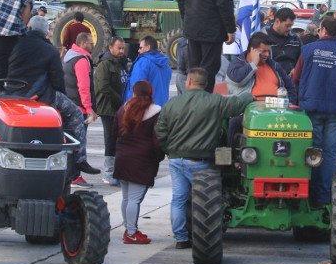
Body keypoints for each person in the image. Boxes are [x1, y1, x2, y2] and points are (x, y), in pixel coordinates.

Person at [155, 68, 253, 248]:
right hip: (201, 162)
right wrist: (251, 95)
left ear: (189, 82)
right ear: (206, 84)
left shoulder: (172, 103)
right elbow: (237, 105)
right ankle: (204, 239)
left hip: (176, 160)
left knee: (178, 199)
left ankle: (181, 239)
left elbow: (160, 131)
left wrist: (169, 149)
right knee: (205, 201)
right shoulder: (214, 101)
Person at [7, 16, 99, 187]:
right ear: (46, 32)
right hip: (40, 95)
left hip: (13, 93)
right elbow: (57, 80)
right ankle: (79, 159)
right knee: (76, 115)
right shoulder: (49, 50)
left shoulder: (16, 43)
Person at [292, 16, 336, 205]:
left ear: (322, 29)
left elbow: (296, 78)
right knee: (330, 153)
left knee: (313, 152)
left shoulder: (308, 50)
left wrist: (300, 98)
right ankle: (324, 196)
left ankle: (310, 194)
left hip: (311, 108)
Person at [113, 80, 164, 245]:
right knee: (135, 199)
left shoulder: (123, 109)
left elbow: (114, 133)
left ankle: (128, 229)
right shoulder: (155, 112)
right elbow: (157, 140)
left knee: (126, 198)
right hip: (142, 160)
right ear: (150, 93)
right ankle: (132, 232)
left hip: (122, 157)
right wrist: (159, 156)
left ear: (133, 92)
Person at [63, 32, 101, 187]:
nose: (93, 46)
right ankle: (75, 176)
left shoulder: (68, 57)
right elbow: (83, 87)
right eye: (91, 43)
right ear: (83, 43)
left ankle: (70, 175)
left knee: (70, 141)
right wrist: (89, 108)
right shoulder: (82, 60)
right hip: (78, 108)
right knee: (78, 142)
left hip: (69, 105)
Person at [95, 36, 128, 186]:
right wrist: (119, 100)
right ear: (110, 48)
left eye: (123, 48)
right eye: (119, 48)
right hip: (108, 108)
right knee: (110, 139)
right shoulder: (105, 64)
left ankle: (118, 170)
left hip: (120, 107)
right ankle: (109, 173)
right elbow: (103, 87)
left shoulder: (121, 62)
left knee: (119, 139)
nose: (121, 51)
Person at [124, 36, 172, 106]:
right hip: (162, 107)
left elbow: (136, 87)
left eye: (140, 48)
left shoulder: (143, 62)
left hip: (146, 109)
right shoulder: (165, 64)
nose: (138, 50)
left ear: (147, 48)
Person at [264, 7, 303, 74]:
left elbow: (303, 59)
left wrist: (297, 71)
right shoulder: (263, 37)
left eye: (291, 25)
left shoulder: (295, 39)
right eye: (287, 25)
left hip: (291, 81)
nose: (290, 28)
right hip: (270, 80)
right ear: (277, 22)